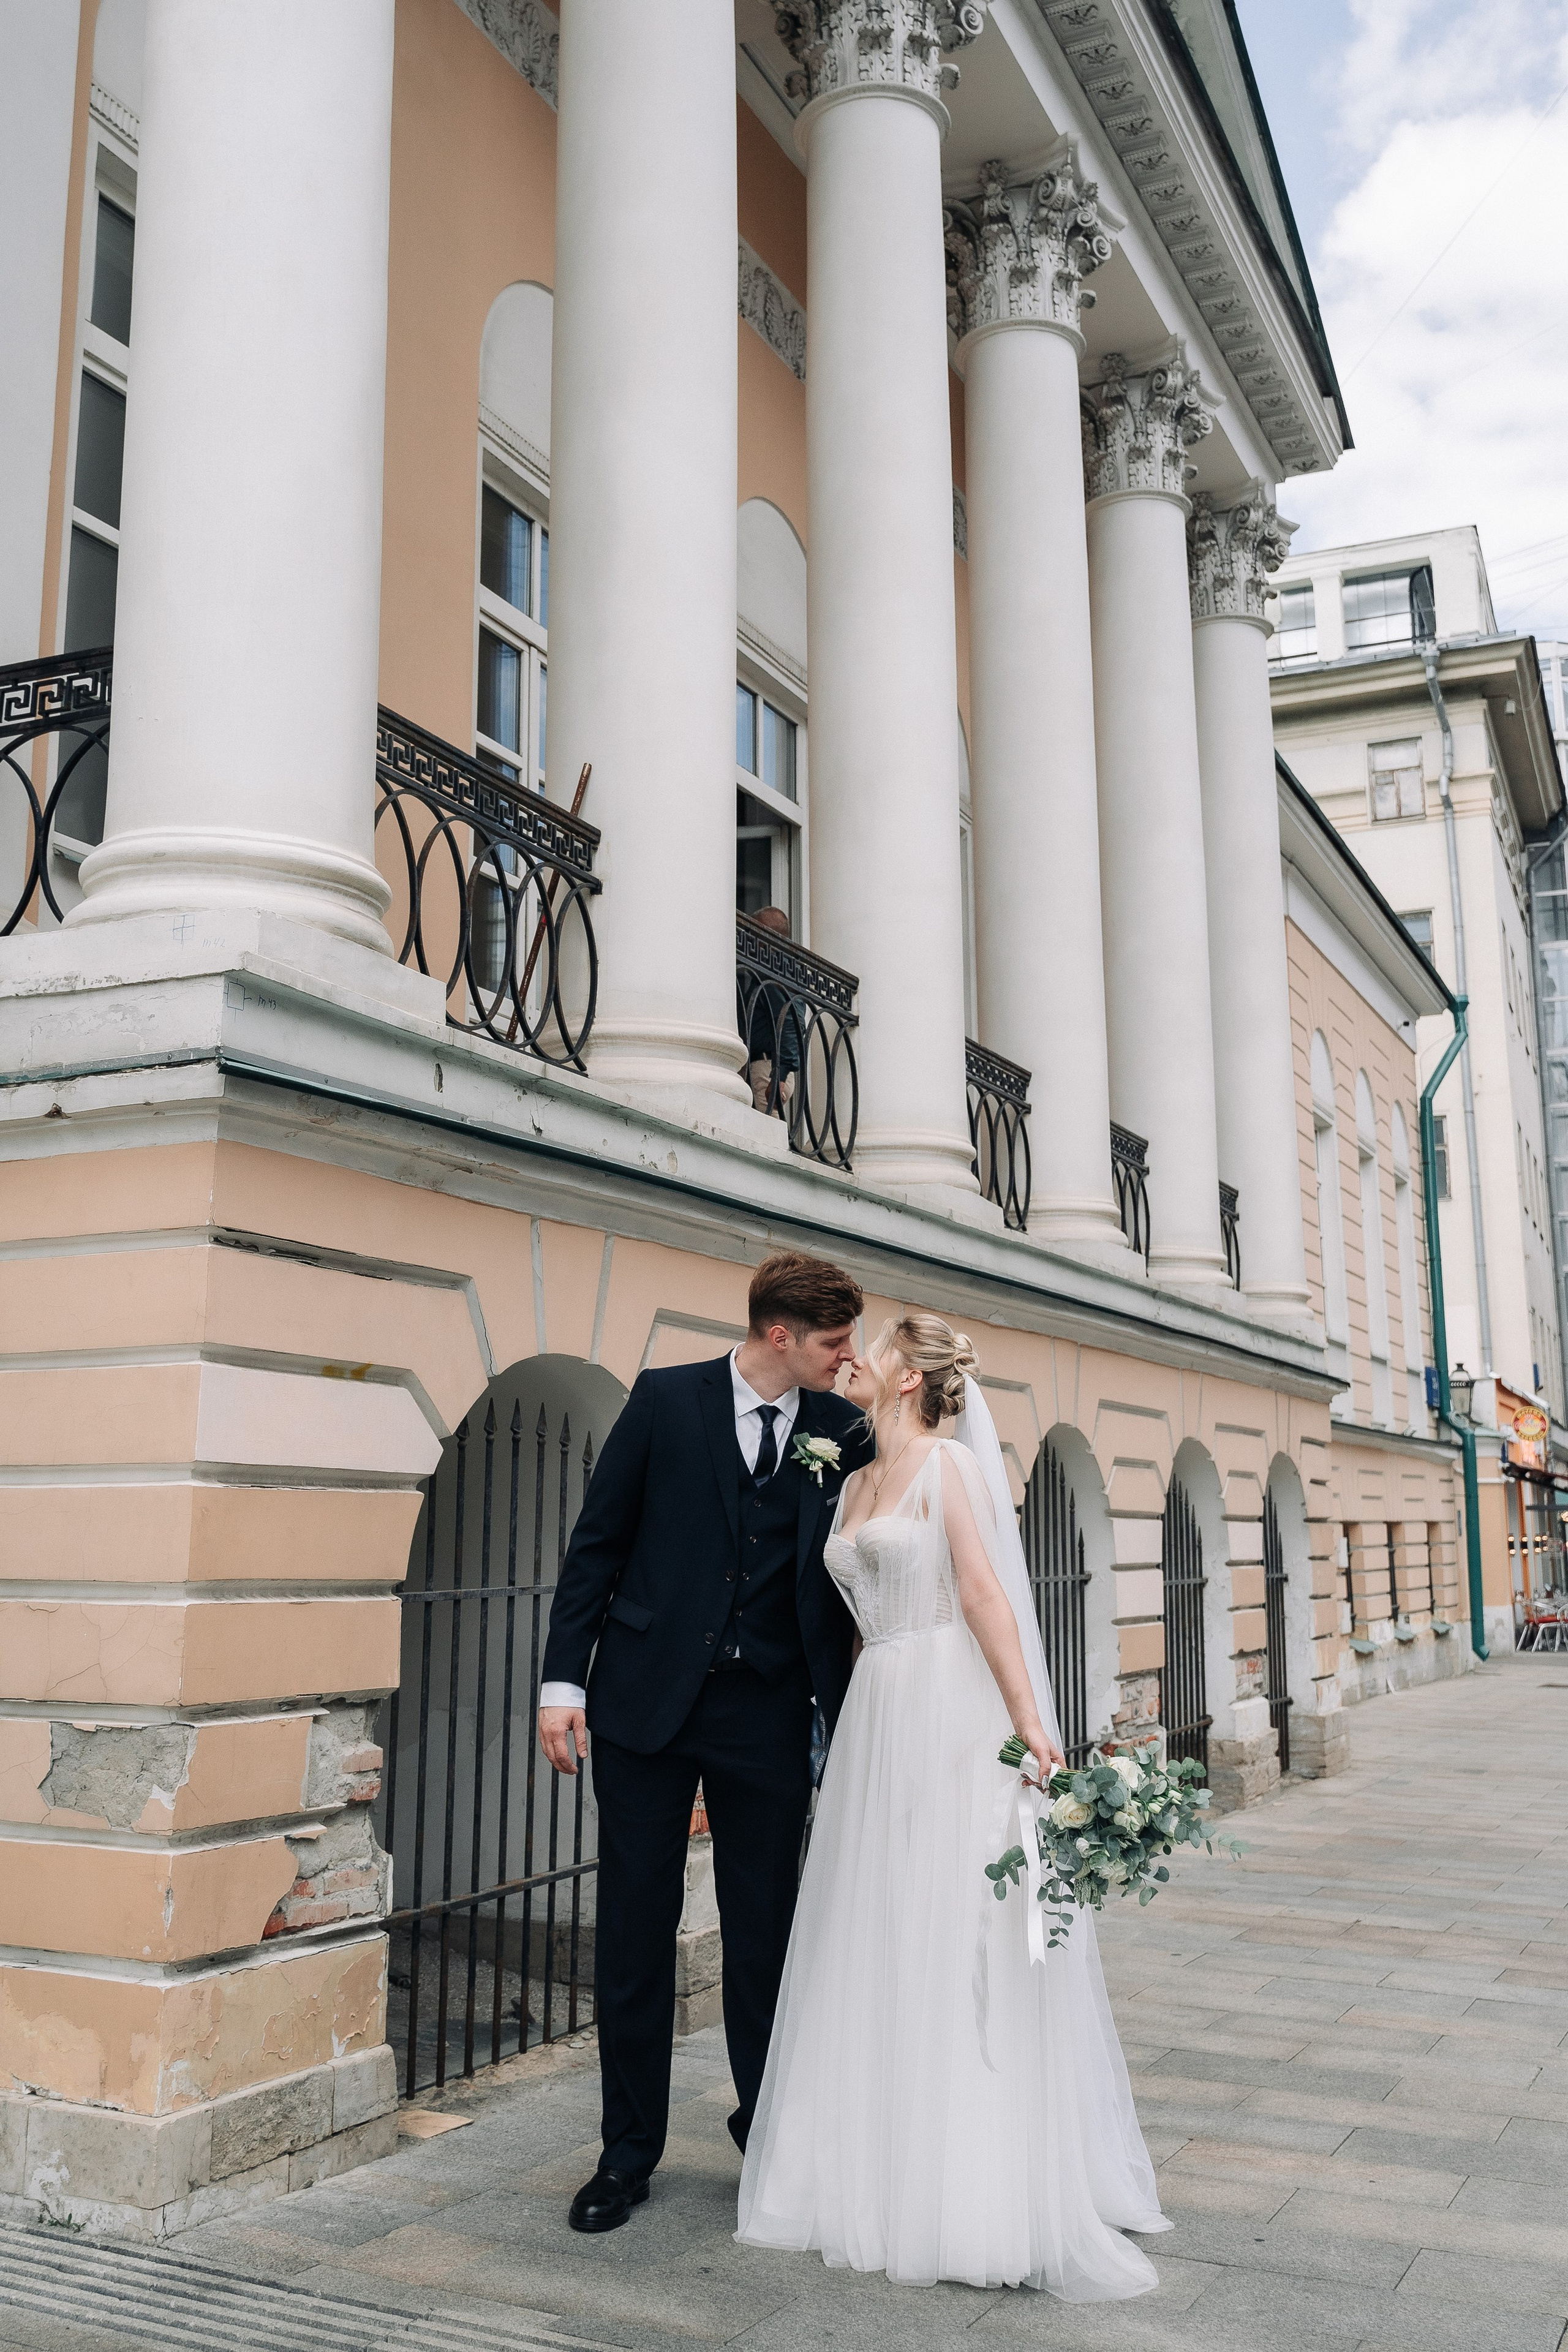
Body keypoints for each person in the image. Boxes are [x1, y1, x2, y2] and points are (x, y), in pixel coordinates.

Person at [736, 1313, 1171, 2298]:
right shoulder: (848, 1483)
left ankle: (970, 2182)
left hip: (946, 1706)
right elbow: (846, 1626)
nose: (850, 1358)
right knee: (875, 1927)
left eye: (869, 1350)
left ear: (908, 1378)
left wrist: (1029, 1726)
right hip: (874, 1718)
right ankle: (871, 2165)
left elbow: (984, 1596)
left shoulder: (949, 1470)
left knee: (953, 1925)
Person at [537, 1251, 873, 2234]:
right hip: (645, 1707)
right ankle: (625, 2156)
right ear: (781, 1335)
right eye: (833, 1342)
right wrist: (564, 1683)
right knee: (636, 1939)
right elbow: (595, 1545)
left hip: (768, 1713)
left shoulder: (841, 1428)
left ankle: (766, 2135)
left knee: (766, 1936)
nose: (845, 1358)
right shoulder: (666, 1400)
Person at [740, 905, 803, 1118]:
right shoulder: (771, 970)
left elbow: (790, 1022)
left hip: (768, 1070)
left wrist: (780, 1075)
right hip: (764, 1068)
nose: (748, 939)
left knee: (767, 1141)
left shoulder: (777, 973)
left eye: (753, 933)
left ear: (768, 936)